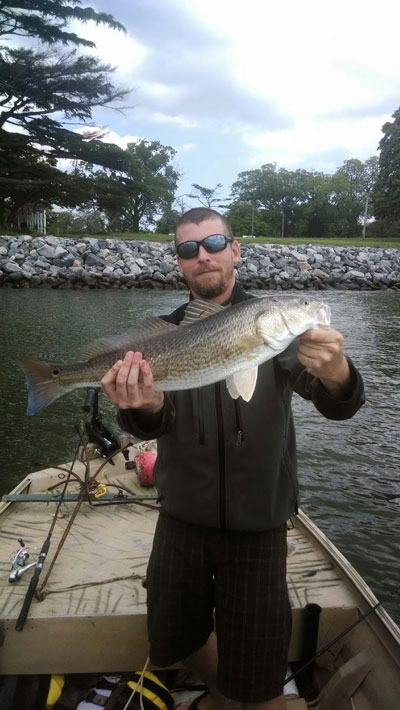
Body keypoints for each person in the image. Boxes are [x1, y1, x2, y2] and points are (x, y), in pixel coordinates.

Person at [101, 208, 365, 710]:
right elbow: (148, 423)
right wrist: (145, 405)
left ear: (235, 251)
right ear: (179, 264)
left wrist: (337, 372)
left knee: (261, 674)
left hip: (259, 522)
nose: (202, 256)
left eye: (214, 243)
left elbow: (338, 404)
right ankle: (226, 693)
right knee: (171, 639)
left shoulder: (276, 330)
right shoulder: (161, 337)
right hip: (183, 517)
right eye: (187, 249)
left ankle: (246, 694)